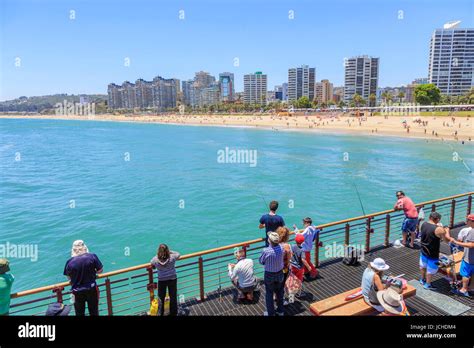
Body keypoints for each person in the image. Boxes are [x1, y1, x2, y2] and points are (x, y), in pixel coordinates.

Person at [63, 240, 103, 316]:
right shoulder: (92, 256)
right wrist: (92, 272)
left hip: (77, 291)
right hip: (91, 289)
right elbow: (100, 270)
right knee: (94, 312)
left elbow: (68, 277)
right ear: (84, 247)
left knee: (79, 313)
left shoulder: (69, 262)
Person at [419, 212, 451, 290]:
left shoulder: (423, 224)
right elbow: (447, 240)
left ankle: (422, 279)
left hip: (423, 249)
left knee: (423, 265)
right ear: (438, 219)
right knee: (431, 269)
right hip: (432, 252)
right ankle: (428, 284)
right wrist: (446, 231)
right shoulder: (439, 229)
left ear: (430, 217)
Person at [259, 231, 285, 316]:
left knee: (269, 294)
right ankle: (280, 311)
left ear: (269, 240)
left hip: (269, 274)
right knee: (280, 292)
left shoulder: (266, 251)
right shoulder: (282, 247)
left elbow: (261, 261)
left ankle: (271, 313)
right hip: (280, 273)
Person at [150, 244, 180, 316]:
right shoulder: (172, 257)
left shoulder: (155, 259)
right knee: (173, 297)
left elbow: (151, 263)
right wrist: (170, 252)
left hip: (162, 280)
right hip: (172, 279)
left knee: (161, 299)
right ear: (167, 250)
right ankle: (173, 313)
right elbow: (178, 254)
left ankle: (160, 314)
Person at [449, 214, 474, 297]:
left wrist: (456, 242)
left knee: (465, 274)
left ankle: (464, 289)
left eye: (468, 220)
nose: (466, 222)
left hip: (470, 257)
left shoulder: (472, 231)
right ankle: (472, 287)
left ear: (472, 221)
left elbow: (471, 245)